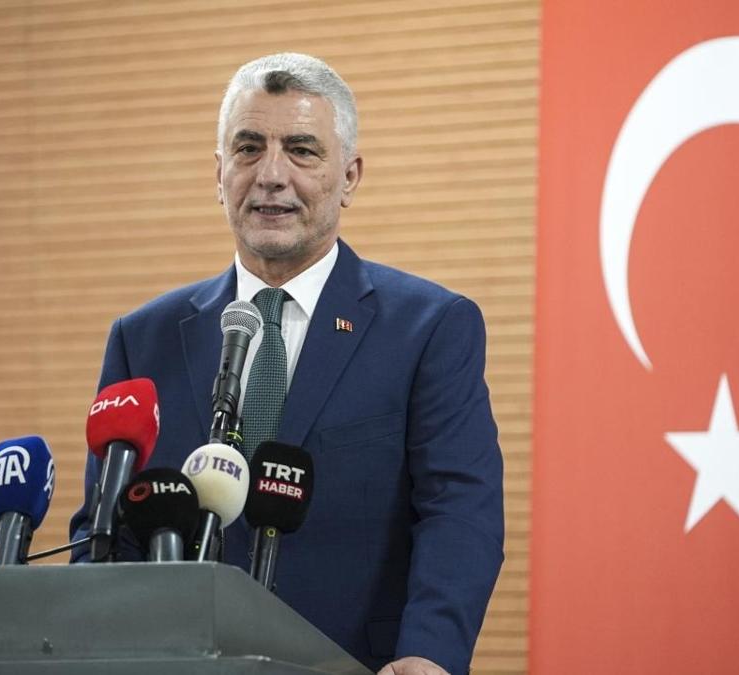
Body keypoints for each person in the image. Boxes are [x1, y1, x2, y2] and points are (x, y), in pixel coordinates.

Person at [69, 53, 504, 675]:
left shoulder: (429, 328)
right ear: (219, 174)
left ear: (349, 177)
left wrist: (428, 653)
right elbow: (105, 528)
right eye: (248, 148)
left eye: (301, 150)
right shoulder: (144, 339)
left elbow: (459, 510)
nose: (271, 175)